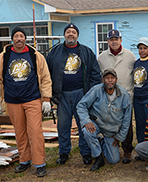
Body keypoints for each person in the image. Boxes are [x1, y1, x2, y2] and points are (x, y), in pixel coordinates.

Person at [0, 27, 51, 177]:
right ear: (12, 39)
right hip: (12, 101)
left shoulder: (35, 55)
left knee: (35, 131)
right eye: (16, 36)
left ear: (25, 39)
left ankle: (40, 163)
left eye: (21, 36)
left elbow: (45, 77)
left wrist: (47, 99)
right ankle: (24, 161)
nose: (19, 39)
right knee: (19, 132)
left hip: (32, 99)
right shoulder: (3, 57)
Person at [46, 23, 101, 165]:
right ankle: (64, 152)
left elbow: (95, 74)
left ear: (77, 35)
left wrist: (92, 95)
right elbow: (47, 74)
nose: (71, 34)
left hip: (82, 95)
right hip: (62, 95)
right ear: (64, 35)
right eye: (68, 32)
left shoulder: (87, 52)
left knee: (83, 124)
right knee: (63, 125)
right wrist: (49, 94)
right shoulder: (55, 52)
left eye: (73, 32)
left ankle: (86, 152)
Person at [76, 68, 132, 172]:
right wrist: (86, 121)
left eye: (112, 78)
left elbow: (127, 119)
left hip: (111, 131)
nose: (110, 80)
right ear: (103, 80)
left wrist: (119, 136)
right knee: (87, 131)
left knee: (114, 160)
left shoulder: (124, 95)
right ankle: (98, 157)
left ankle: (101, 141)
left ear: (116, 80)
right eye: (107, 78)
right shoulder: (96, 90)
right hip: (96, 124)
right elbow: (81, 105)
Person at [97, 29, 136, 163]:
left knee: (127, 124)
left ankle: (127, 150)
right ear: (108, 41)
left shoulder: (130, 56)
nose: (114, 41)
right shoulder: (101, 57)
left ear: (120, 40)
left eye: (116, 39)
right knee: (111, 122)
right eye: (111, 39)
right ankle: (111, 146)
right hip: (108, 97)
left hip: (126, 96)